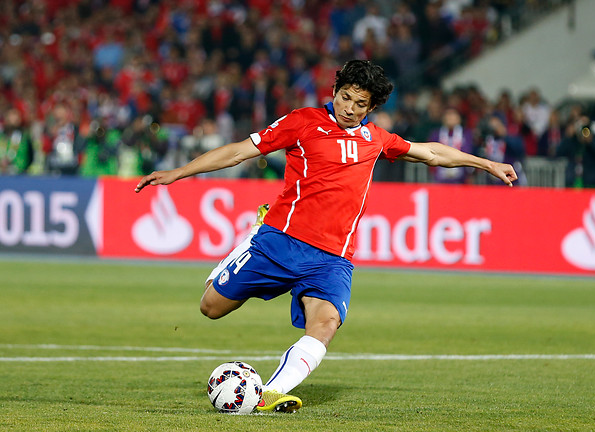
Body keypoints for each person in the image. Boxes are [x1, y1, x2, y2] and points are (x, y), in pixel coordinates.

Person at [135, 60, 517, 413]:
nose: (349, 107)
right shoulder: (303, 122)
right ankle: (251, 235)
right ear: (335, 89)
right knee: (210, 307)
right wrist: (176, 173)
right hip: (280, 241)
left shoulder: (377, 139)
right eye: (345, 96)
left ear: (371, 108)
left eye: (360, 103)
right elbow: (239, 152)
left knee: (326, 322)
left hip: (332, 258)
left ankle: (270, 392)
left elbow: (432, 153)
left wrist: (486, 163)